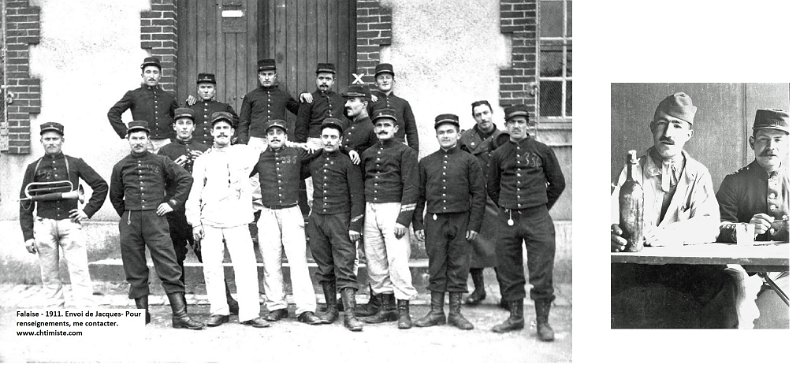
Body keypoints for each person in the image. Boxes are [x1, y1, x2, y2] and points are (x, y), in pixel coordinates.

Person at [609, 92, 747, 329]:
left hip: (684, 270)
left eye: (677, 125)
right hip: (636, 270)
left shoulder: (698, 173)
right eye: (662, 124)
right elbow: (610, 216)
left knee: (722, 287)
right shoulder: (632, 172)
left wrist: (667, 235)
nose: (668, 134)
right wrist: (611, 233)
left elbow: (709, 225)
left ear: (689, 134)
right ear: (652, 128)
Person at [109, 120, 204, 329]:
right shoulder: (120, 166)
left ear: (148, 139)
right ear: (128, 140)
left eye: (142, 138)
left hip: (157, 220)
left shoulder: (161, 161)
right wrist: (127, 216)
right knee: (135, 267)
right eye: (134, 138)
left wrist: (171, 203)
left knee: (168, 264)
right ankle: (141, 314)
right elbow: (115, 196)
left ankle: (180, 315)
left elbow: (186, 179)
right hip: (131, 221)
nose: (138, 142)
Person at [184, 112, 271, 328]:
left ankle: (250, 313)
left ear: (233, 133)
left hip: (238, 218)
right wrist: (195, 221)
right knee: (212, 267)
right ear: (212, 132)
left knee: (246, 266)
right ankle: (218, 310)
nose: (222, 132)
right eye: (218, 128)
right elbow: (194, 191)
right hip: (210, 220)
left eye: (226, 128)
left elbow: (271, 150)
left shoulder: (245, 153)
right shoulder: (203, 160)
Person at [488, 105, 565, 340]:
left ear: (527, 124)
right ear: (506, 125)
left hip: (537, 218)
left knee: (541, 269)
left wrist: (540, 206)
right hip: (508, 218)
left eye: (521, 122)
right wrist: (508, 205)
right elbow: (492, 187)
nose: (517, 126)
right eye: (512, 122)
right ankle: (515, 317)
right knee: (509, 267)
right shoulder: (499, 154)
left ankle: (543, 323)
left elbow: (558, 183)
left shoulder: (542, 150)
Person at [156, 107, 239, 314]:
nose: (184, 127)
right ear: (174, 126)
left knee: (210, 258)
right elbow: (159, 181)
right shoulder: (165, 152)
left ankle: (226, 299)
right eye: (180, 123)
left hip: (200, 212)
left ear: (194, 127)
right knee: (175, 258)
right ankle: (180, 304)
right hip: (174, 212)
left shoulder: (204, 148)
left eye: (188, 123)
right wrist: (175, 166)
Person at [19, 122, 108, 308]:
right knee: (49, 274)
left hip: (70, 224)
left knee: (80, 271)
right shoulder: (33, 167)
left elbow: (101, 186)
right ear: (41, 141)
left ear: (62, 140)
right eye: (47, 139)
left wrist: (86, 211)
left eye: (55, 139)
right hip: (43, 225)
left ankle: (86, 312)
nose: (51, 142)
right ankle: (55, 312)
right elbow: (25, 203)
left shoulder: (75, 163)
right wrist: (28, 236)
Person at [715, 108, 789, 328]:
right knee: (737, 318)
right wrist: (746, 228)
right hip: (742, 272)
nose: (771, 146)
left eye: (778, 140)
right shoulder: (733, 182)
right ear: (751, 142)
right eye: (764, 140)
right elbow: (715, 227)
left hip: (788, 271)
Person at [413, 114, 486, 330]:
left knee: (459, 264)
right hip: (434, 221)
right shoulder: (426, 162)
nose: (445, 136)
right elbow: (419, 197)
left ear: (458, 133)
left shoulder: (470, 161)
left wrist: (474, 225)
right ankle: (436, 312)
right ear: (436, 135)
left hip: (461, 220)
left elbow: (479, 195)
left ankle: (455, 313)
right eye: (441, 132)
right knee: (436, 264)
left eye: (449, 131)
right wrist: (417, 224)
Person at [253, 119, 323, 325]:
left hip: (292, 212)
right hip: (267, 213)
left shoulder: (296, 153)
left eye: (279, 133)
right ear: (266, 137)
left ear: (285, 136)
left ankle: (305, 308)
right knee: (270, 260)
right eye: (271, 133)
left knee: (298, 261)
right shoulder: (258, 157)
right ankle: (276, 306)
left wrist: (306, 145)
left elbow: (324, 150)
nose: (275, 136)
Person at [304, 118, 366, 331]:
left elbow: (357, 196)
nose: (329, 141)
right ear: (320, 139)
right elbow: (295, 166)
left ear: (340, 140)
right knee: (324, 266)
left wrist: (355, 225)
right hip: (318, 219)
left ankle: (350, 314)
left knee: (345, 266)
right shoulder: (314, 160)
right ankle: (331, 309)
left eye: (333, 137)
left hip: (341, 220)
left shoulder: (349, 161)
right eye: (325, 137)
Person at [360, 108, 419, 329]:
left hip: (393, 209)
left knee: (398, 260)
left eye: (387, 125)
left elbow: (412, 186)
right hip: (370, 209)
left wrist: (404, 219)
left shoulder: (406, 152)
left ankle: (403, 310)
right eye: (379, 125)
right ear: (374, 129)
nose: (382, 129)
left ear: (395, 128)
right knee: (375, 259)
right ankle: (386, 308)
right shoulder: (368, 153)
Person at [458, 100, 507, 308]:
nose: (483, 118)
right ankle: (479, 290)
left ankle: (507, 294)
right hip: (473, 199)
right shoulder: (466, 138)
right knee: (473, 247)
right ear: (474, 117)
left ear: (492, 113)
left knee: (501, 249)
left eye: (485, 113)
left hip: (497, 199)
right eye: (478, 114)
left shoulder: (504, 138)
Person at [108, 56, 179, 152]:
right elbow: (113, 113)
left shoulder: (168, 97)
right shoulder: (133, 95)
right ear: (142, 75)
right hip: (143, 141)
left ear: (160, 76)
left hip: (165, 142)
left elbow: (178, 117)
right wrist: (125, 132)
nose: (152, 76)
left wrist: (173, 136)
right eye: (148, 72)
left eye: (155, 72)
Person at [238, 59, 305, 148]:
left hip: (278, 139)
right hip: (257, 141)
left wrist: (303, 95)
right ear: (259, 76)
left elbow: (300, 111)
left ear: (275, 76)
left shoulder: (283, 95)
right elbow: (243, 122)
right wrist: (242, 143)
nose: (266, 78)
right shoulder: (250, 96)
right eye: (263, 74)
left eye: (270, 74)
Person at [367, 63, 419, 151]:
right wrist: (367, 97)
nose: (385, 81)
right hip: (377, 149)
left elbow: (411, 131)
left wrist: (413, 153)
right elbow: (365, 126)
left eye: (388, 77)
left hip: (399, 149)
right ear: (375, 83)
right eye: (381, 78)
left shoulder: (403, 103)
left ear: (393, 81)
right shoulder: (371, 102)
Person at [295, 63, 345, 150]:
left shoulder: (340, 99)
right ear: (316, 79)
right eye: (321, 78)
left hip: (335, 141)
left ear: (333, 81)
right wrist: (301, 146)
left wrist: (369, 97)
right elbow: (301, 126)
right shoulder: (309, 99)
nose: (324, 81)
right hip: (314, 143)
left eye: (328, 79)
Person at [185, 73, 239, 146]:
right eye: (203, 87)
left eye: (209, 87)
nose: (206, 90)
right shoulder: (191, 106)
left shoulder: (224, 107)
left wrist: (232, 139)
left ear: (214, 90)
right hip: (195, 148)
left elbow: (238, 124)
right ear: (198, 90)